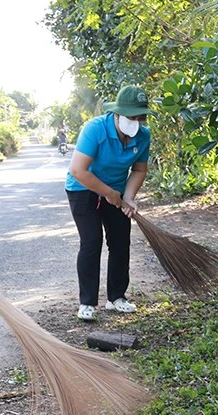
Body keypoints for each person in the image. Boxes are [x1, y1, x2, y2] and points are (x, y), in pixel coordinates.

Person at [65, 85, 156, 321]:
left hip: (115, 189)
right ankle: (87, 303)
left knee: (120, 240)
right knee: (91, 240)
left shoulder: (143, 136)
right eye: (130, 117)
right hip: (83, 188)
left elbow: (138, 170)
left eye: (140, 117)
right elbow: (77, 170)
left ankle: (117, 297)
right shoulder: (95, 129)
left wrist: (128, 196)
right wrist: (108, 193)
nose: (135, 122)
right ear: (116, 114)